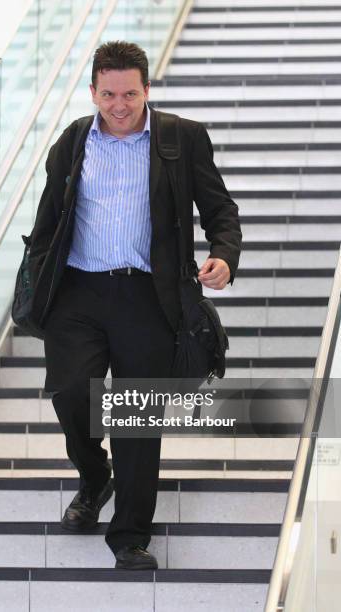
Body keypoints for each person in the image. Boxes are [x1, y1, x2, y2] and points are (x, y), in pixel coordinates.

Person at [28, 41, 242, 570]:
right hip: (79, 291)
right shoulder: (73, 141)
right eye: (108, 94)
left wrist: (224, 256)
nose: (119, 104)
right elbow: (48, 219)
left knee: (136, 415)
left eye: (129, 93)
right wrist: (37, 281)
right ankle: (95, 475)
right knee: (72, 391)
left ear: (146, 88)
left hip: (150, 295)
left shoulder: (181, 139)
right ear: (93, 92)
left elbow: (220, 208)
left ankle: (130, 535)